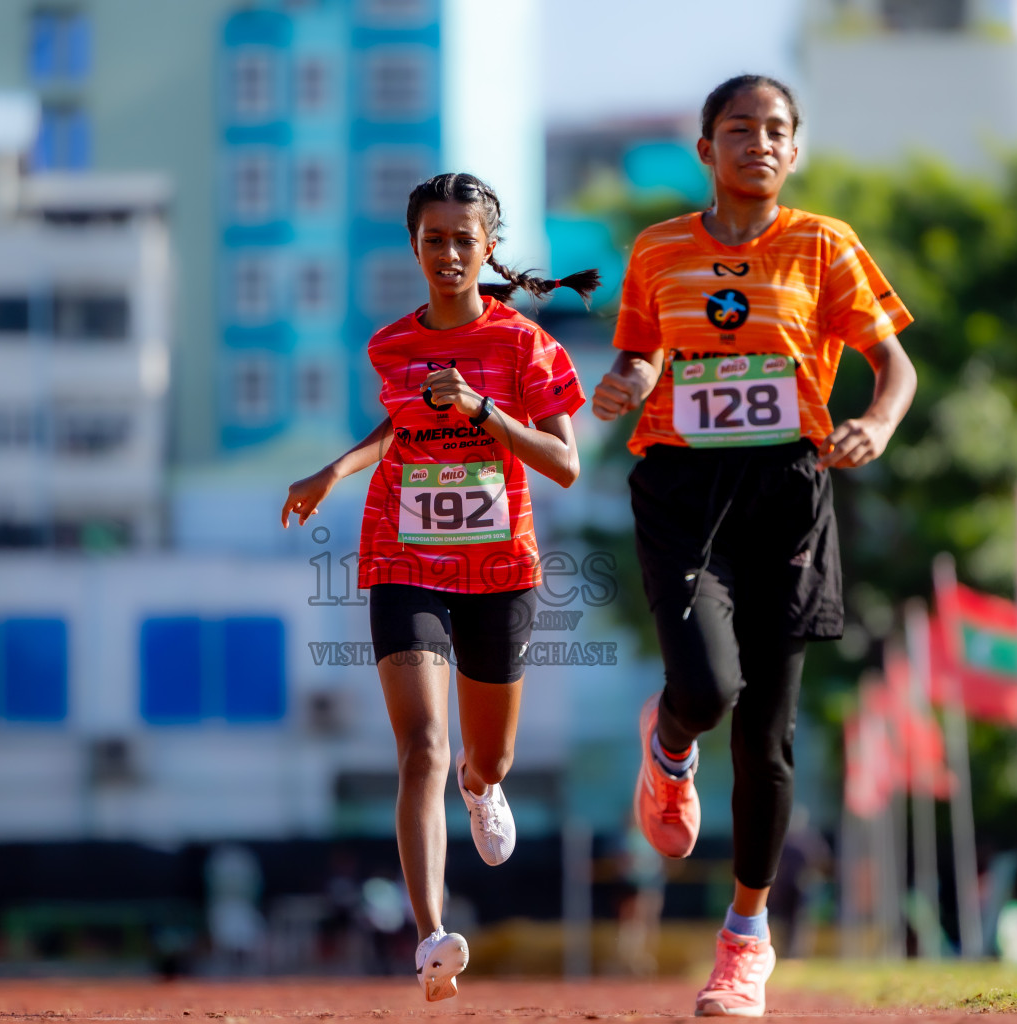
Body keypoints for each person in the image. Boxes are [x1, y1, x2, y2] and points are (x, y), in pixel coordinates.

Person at [593, 74, 916, 1016]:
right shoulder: (658, 249)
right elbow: (643, 350)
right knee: (705, 689)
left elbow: (891, 359)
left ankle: (744, 941)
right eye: (740, 130)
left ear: (796, 148)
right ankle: (671, 743)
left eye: (777, 130)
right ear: (707, 150)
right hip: (684, 489)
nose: (759, 144)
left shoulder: (823, 245)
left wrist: (881, 424)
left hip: (787, 488)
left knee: (769, 739)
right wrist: (623, 382)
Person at [282, 172, 597, 1001]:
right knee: (421, 744)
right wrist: (332, 470)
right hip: (402, 556)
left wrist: (486, 411)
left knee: (485, 754)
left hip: (498, 567)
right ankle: (431, 935)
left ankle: (482, 785)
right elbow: (397, 426)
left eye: (465, 239)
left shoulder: (526, 346)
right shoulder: (391, 345)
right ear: (414, 247)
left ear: (489, 246)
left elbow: (565, 464)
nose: (450, 253)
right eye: (434, 239)